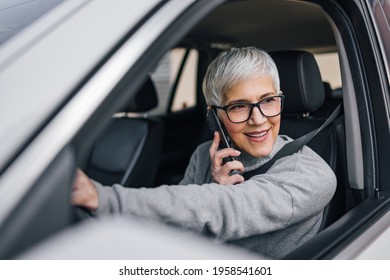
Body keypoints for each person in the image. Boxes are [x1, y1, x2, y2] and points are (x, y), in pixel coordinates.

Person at [72, 46, 336, 259]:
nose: (258, 119)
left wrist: (104, 199)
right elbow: (179, 237)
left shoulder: (311, 174)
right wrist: (213, 183)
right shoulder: (204, 155)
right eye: (238, 106)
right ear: (214, 117)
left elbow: (223, 209)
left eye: (268, 101)